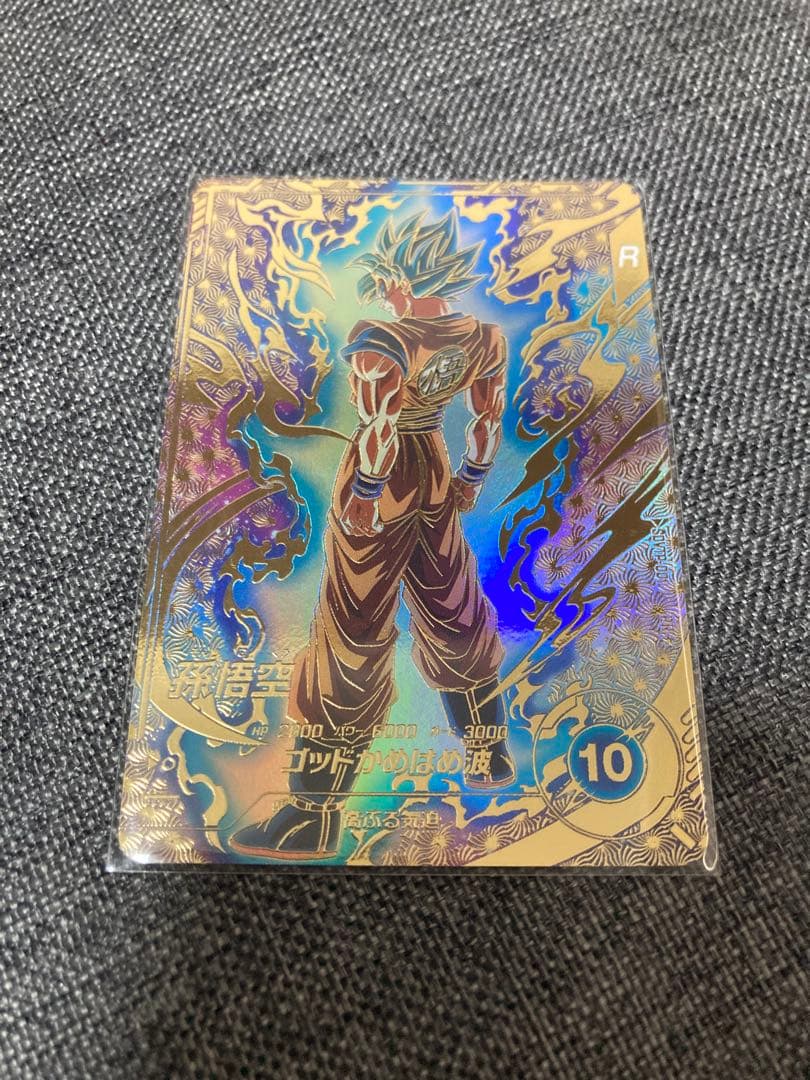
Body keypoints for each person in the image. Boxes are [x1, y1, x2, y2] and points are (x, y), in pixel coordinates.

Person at [230, 210, 515, 860]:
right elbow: (485, 419)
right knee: (452, 604)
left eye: (386, 280)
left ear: (403, 280)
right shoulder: (483, 338)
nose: (383, 292)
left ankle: (312, 815)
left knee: (351, 628)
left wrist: (364, 493)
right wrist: (470, 477)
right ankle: (490, 757)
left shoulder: (381, 338)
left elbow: (381, 424)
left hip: (381, 478)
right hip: (435, 470)